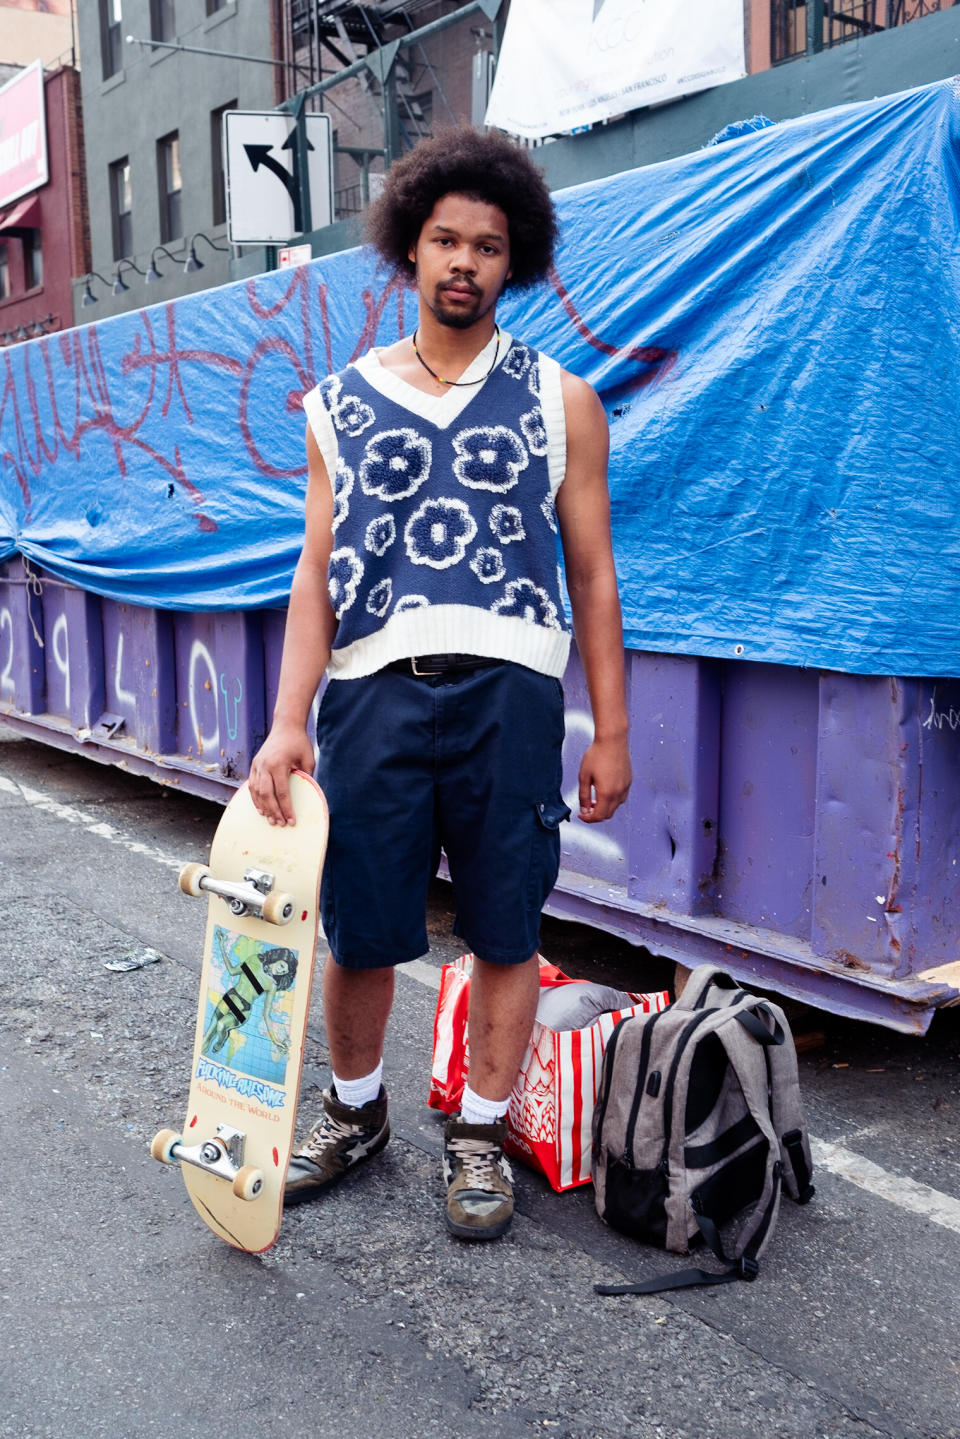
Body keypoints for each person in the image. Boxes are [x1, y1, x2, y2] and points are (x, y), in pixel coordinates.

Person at [248, 127, 631, 1242]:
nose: (465, 260)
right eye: (445, 240)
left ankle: (480, 1131)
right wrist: (287, 722)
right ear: (409, 252)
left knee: (506, 922)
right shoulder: (339, 406)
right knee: (363, 926)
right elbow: (314, 575)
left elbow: (596, 576)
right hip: (369, 692)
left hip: (511, 691)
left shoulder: (565, 402)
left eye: (490, 245)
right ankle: (356, 1112)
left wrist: (611, 728)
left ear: (515, 262)